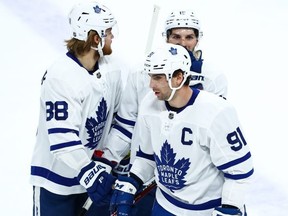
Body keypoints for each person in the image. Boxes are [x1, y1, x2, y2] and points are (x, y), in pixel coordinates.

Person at [102, 9, 228, 215]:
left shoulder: (212, 78)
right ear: (166, 38)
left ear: (198, 39)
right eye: (176, 36)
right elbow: (126, 125)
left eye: (189, 37)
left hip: (191, 187)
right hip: (144, 175)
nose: (183, 43)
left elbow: (215, 138)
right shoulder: (141, 72)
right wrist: (107, 159)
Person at [109, 43, 254, 216]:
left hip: (207, 210)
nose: (150, 84)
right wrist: (132, 181)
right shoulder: (149, 103)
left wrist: (231, 207)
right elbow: (147, 156)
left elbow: (240, 170)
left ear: (178, 78)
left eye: (157, 77)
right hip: (165, 206)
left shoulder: (217, 112)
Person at [30, 2, 123, 216]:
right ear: (95, 39)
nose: (112, 37)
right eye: (108, 32)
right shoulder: (60, 76)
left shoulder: (113, 69)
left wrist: (106, 158)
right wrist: (89, 171)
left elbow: (118, 119)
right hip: (54, 180)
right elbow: (62, 139)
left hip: (90, 174)